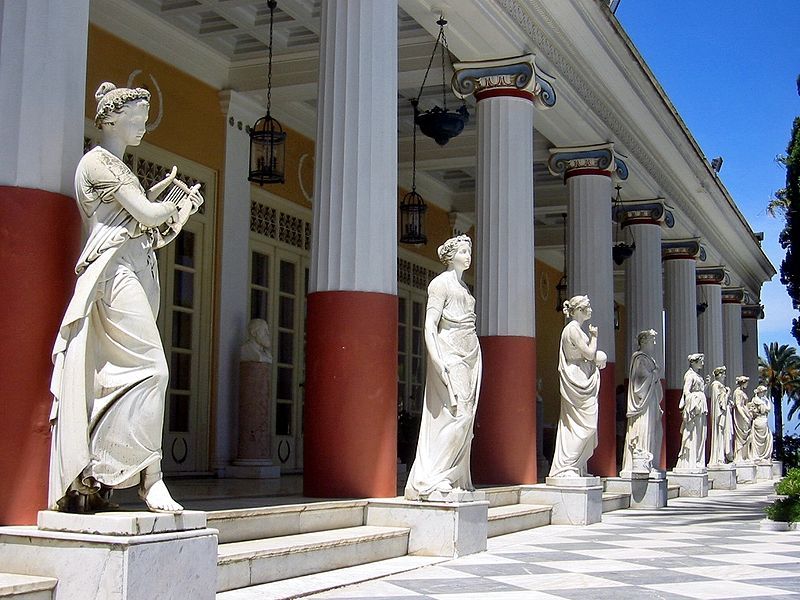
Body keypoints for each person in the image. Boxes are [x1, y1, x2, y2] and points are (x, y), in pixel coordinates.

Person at [49, 82, 203, 513]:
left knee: (120, 376)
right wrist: (166, 205)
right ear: (111, 118)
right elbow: (149, 216)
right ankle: (148, 477)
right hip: (113, 275)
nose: (142, 126)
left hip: (133, 269)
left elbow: (150, 232)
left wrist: (178, 209)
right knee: (152, 370)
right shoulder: (98, 163)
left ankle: (101, 471)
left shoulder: (120, 169)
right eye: (136, 118)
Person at [405, 235, 482, 501]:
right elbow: (429, 325)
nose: (467, 255)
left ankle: (453, 474)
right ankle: (434, 475)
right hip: (450, 353)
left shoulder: (464, 287)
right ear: (450, 256)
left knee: (467, 416)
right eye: (463, 251)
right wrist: (437, 360)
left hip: (470, 354)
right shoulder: (440, 284)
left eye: (469, 251)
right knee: (458, 414)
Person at [549, 295, 607, 479]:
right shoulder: (572, 329)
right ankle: (567, 467)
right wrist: (594, 337)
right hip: (577, 377)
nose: (591, 309)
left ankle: (578, 466)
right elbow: (589, 354)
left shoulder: (576, 330)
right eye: (588, 306)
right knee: (584, 426)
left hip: (583, 375)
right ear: (580, 309)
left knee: (582, 425)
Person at [620, 329, 663, 477]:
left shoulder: (649, 360)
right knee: (644, 428)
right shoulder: (639, 359)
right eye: (652, 340)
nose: (655, 343)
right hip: (643, 404)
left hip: (651, 400)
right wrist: (655, 373)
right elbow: (640, 381)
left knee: (655, 430)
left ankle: (651, 462)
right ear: (644, 342)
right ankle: (641, 462)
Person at [675, 353, 707, 472]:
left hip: (700, 407)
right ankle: (691, 460)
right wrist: (694, 403)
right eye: (701, 361)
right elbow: (686, 391)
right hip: (695, 408)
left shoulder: (697, 376)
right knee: (694, 434)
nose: (702, 363)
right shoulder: (690, 375)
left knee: (701, 434)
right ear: (694, 362)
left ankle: (698, 460)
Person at [708, 366, 733, 466]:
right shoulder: (716, 385)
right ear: (719, 375)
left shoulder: (720, 386)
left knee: (724, 435)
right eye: (723, 374)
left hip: (724, 414)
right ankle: (719, 458)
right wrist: (728, 393)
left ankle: (722, 457)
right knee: (720, 434)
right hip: (720, 415)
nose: (725, 376)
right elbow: (721, 403)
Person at [732, 375, 753, 463]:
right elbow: (738, 405)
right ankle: (739, 456)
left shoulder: (742, 392)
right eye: (746, 383)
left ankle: (745, 455)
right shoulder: (738, 392)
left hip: (745, 413)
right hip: (740, 416)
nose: (747, 385)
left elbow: (744, 405)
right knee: (741, 436)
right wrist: (744, 416)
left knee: (746, 435)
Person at [749, 384, 773, 462]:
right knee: (763, 440)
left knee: (764, 440)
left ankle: (759, 455)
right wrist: (767, 401)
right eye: (763, 392)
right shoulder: (760, 401)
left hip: (759, 421)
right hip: (761, 421)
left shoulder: (754, 400)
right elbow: (768, 409)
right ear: (759, 392)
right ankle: (760, 456)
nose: (764, 394)